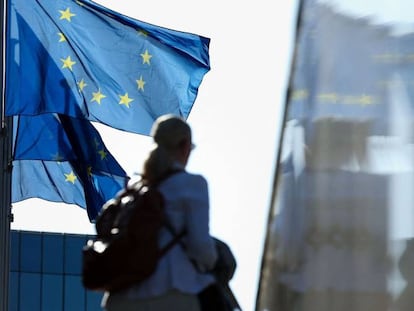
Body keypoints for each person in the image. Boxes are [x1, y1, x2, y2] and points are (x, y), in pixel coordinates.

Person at [102, 114, 219, 311]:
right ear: (184, 146)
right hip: (170, 293)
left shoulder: (134, 189)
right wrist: (213, 260)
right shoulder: (192, 184)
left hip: (121, 298)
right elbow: (200, 247)